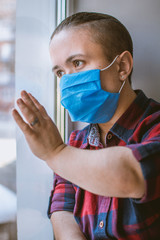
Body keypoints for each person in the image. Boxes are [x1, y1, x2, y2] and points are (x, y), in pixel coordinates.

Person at [12, 12, 160, 240]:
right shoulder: (75, 144)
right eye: (60, 72)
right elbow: (62, 212)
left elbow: (133, 174)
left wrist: (54, 152)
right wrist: (60, 153)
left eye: (77, 63)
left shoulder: (155, 126)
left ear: (122, 66)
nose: (67, 81)